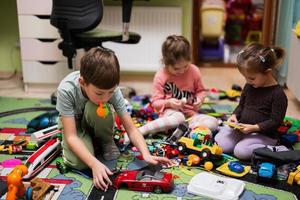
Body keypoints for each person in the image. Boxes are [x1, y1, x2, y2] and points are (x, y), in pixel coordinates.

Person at [56, 47, 172, 191]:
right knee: (80, 163)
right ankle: (88, 144)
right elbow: (72, 136)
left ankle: (106, 141)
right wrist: (94, 164)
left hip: (93, 118)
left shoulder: (112, 90)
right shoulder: (66, 90)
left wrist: (146, 154)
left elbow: (130, 128)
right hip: (74, 126)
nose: (105, 98)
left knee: (97, 108)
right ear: (82, 82)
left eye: (110, 92)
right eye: (99, 93)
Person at [124, 35, 217, 144]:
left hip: (190, 115)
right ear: (165, 62)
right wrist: (168, 103)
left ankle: (189, 131)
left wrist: (199, 99)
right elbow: (155, 103)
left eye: (185, 66)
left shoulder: (194, 71)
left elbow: (201, 91)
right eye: (176, 68)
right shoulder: (161, 76)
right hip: (170, 114)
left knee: (213, 122)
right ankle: (138, 131)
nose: (182, 71)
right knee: (179, 118)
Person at [215, 43, 288, 160]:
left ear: (268, 72)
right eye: (245, 77)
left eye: (252, 78)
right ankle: (238, 138)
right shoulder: (249, 86)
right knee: (221, 144)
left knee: (241, 151)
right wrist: (234, 115)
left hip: (264, 134)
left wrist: (255, 128)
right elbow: (241, 106)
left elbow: (275, 121)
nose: (248, 81)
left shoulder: (278, 94)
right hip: (243, 129)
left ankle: (276, 150)